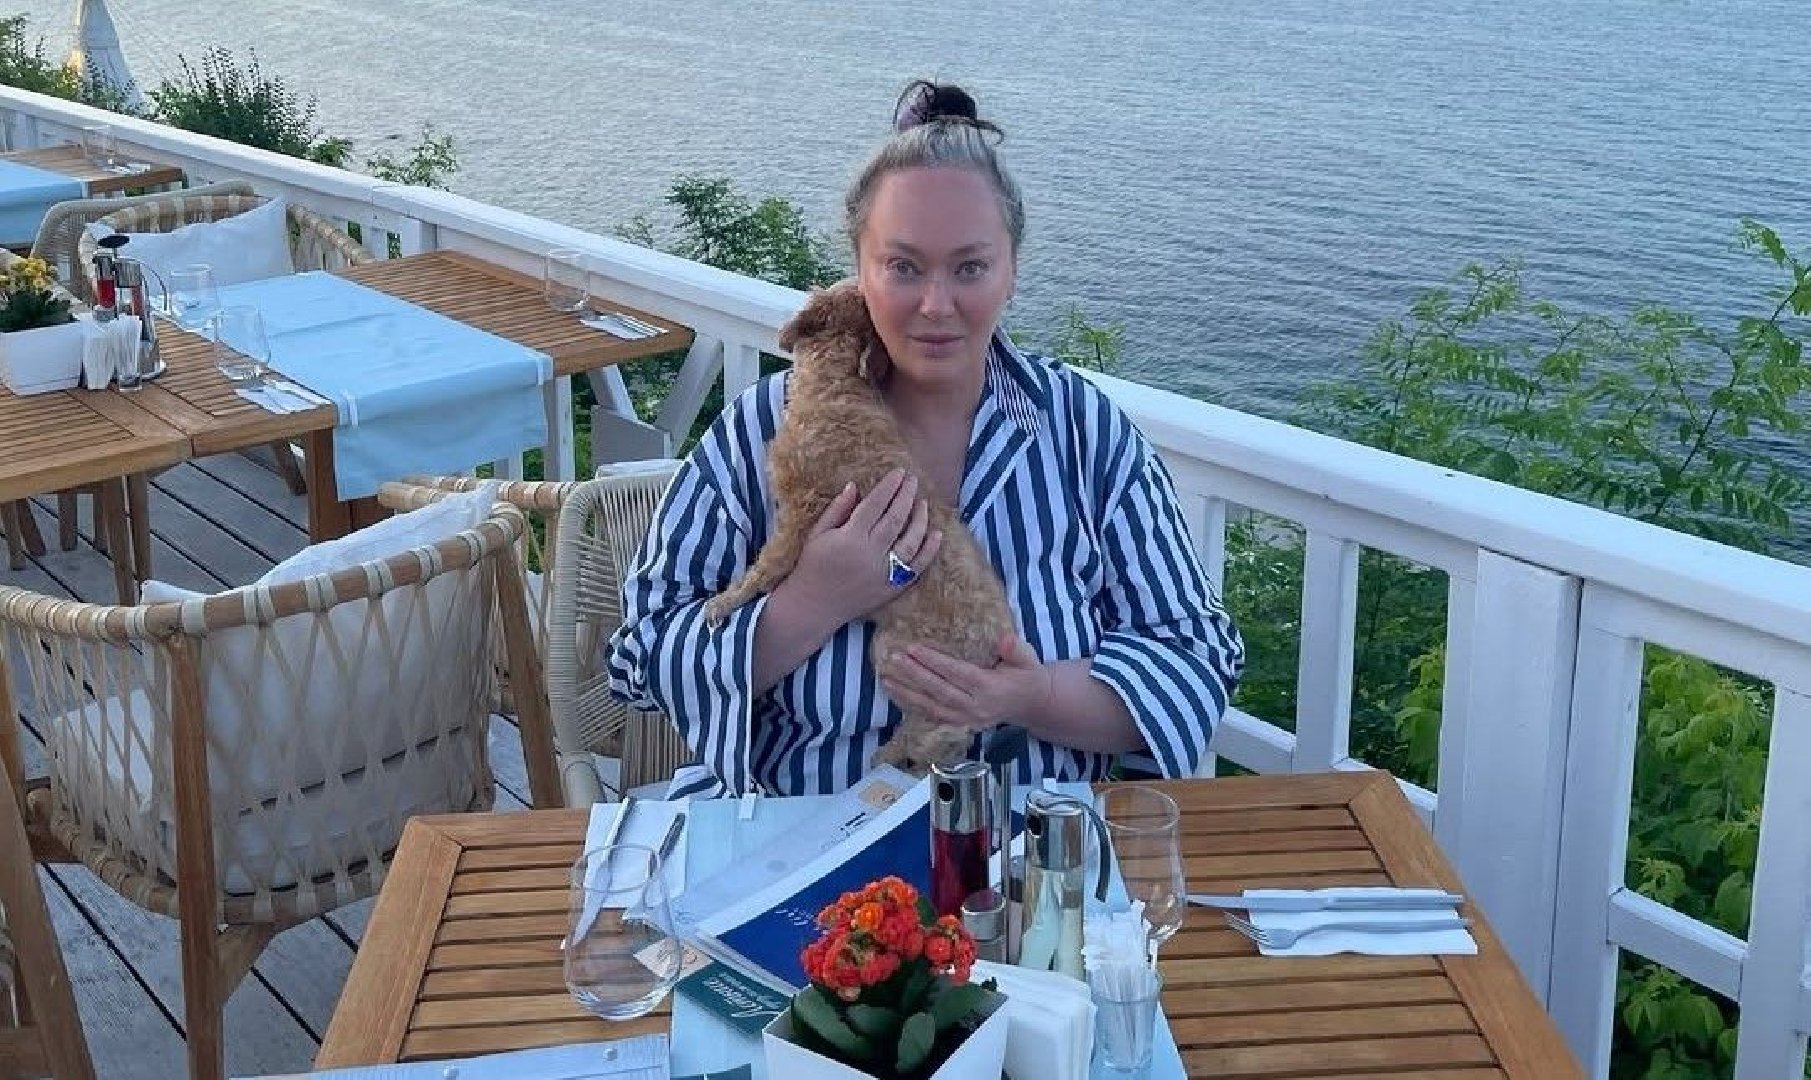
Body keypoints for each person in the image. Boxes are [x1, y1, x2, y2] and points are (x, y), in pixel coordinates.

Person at [606, 80, 1244, 800]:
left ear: (1011, 271)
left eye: (969, 267)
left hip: (1028, 839)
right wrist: (811, 599)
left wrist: (1030, 696)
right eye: (903, 267)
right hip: (804, 837)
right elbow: (639, 659)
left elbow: (1196, 654)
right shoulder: (766, 430)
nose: (936, 306)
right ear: (860, 270)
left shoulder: (1082, 431)